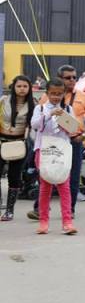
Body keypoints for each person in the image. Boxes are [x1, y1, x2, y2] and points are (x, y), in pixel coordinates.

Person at [27, 64, 85, 220]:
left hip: (74, 140)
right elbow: (38, 122)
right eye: (68, 77)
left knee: (71, 177)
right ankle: (39, 209)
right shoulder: (47, 98)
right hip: (50, 142)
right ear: (59, 78)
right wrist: (51, 114)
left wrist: (84, 134)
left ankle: (69, 210)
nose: (72, 80)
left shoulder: (83, 97)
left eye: (74, 77)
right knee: (46, 174)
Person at [30, 78, 77, 235]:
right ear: (47, 93)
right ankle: (44, 221)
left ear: (64, 93)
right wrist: (49, 114)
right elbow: (35, 125)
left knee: (64, 186)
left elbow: (74, 129)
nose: (56, 97)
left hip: (62, 150)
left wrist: (64, 118)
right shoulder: (40, 108)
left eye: (59, 94)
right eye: (53, 94)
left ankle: (67, 221)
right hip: (43, 150)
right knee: (45, 186)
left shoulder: (68, 109)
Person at [0, 75, 35, 221]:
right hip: (1, 141)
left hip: (20, 143)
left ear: (29, 88)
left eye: (25, 86)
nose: (22, 89)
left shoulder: (34, 104)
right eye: (19, 86)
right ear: (13, 87)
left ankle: (9, 210)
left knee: (14, 177)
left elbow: (35, 125)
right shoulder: (3, 100)